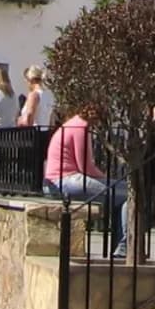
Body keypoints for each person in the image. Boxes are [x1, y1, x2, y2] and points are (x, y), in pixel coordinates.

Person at [43, 103, 127, 255]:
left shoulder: (72, 124)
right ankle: (123, 246)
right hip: (68, 180)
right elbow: (86, 167)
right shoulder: (80, 127)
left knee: (119, 193)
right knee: (129, 193)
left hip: (57, 180)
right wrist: (105, 178)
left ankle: (121, 246)